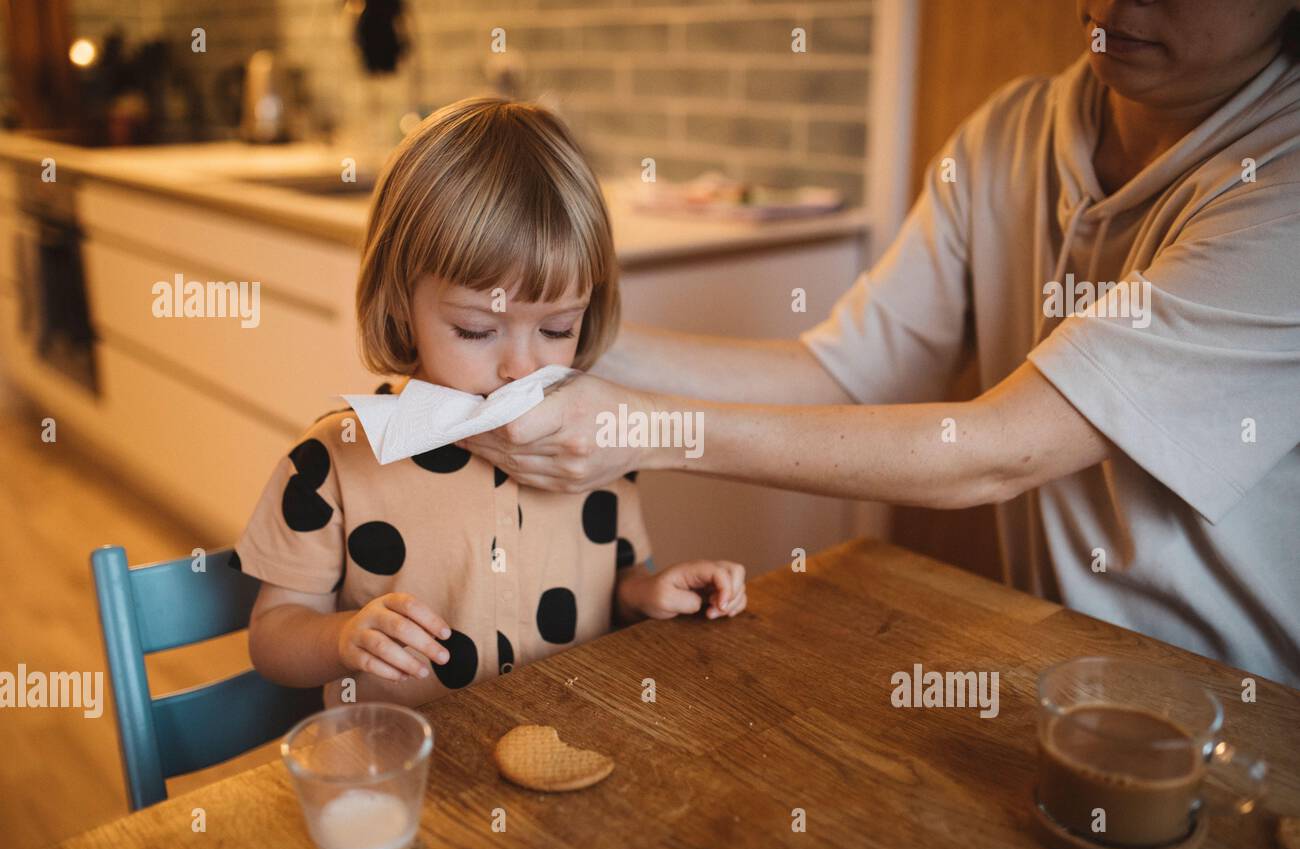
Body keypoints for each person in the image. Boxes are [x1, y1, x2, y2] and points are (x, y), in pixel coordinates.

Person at [457, 1, 1300, 689]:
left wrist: (644, 429)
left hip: (1237, 702)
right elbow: (846, 375)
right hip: (1055, 668)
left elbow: (992, 451)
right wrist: (547, 338)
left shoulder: (1284, 185)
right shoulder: (1010, 132)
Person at [233, 97, 747, 707]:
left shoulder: (591, 447)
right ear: (400, 301)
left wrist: (649, 594)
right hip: (418, 775)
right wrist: (341, 636)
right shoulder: (332, 463)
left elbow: (617, 582)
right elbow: (272, 637)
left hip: (574, 738)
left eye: (557, 329)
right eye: (477, 331)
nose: (521, 367)